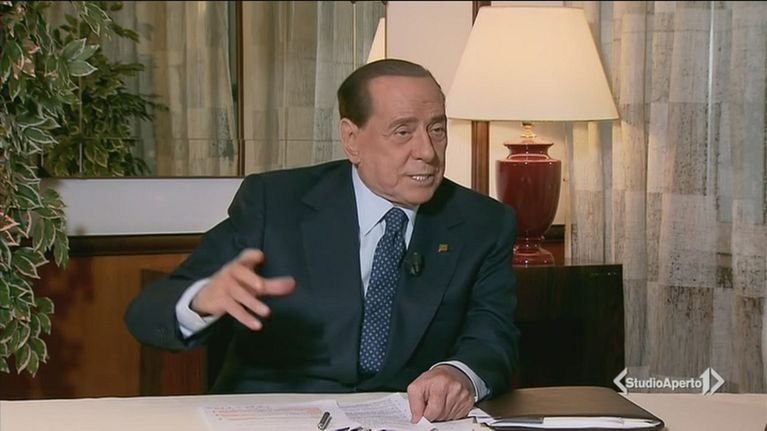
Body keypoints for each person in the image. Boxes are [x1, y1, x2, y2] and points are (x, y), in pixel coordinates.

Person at [125, 59, 519, 423]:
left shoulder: (482, 222)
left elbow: (493, 335)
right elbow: (146, 313)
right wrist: (201, 300)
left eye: (437, 129)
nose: (427, 152)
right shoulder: (276, 203)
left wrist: (459, 373)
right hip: (273, 417)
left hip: (405, 419)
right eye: (403, 131)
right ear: (351, 139)